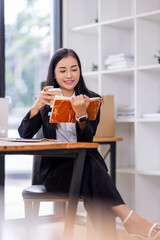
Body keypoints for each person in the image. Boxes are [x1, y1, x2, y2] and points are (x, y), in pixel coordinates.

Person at [18, 48, 160, 239]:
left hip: (83, 167)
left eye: (74, 69)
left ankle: (126, 225)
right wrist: (36, 106)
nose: (69, 75)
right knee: (94, 168)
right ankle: (130, 219)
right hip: (55, 172)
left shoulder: (91, 99)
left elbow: (86, 141)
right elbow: (24, 134)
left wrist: (82, 115)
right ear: (54, 73)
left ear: (80, 71)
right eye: (62, 70)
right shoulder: (47, 99)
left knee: (90, 167)